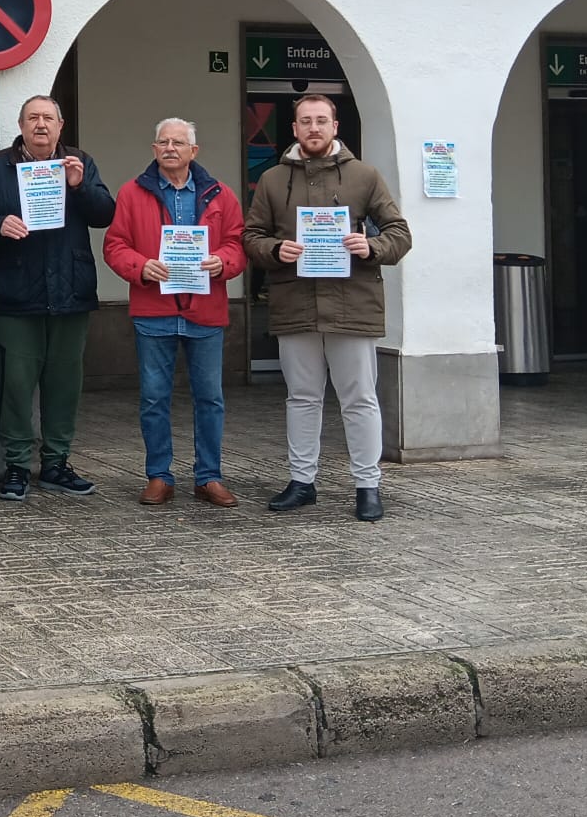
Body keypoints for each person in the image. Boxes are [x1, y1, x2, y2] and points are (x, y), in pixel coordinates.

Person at [243, 94, 412, 522]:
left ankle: (367, 485)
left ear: (336, 126)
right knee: (301, 398)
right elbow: (251, 237)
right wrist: (276, 249)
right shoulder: (271, 180)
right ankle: (302, 482)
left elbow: (399, 233)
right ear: (295, 129)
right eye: (305, 121)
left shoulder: (365, 176)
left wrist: (370, 246)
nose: (314, 128)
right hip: (294, 304)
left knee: (359, 399)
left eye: (321, 120)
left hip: (352, 305)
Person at [0, 95, 116, 503]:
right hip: (16, 294)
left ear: (60, 125)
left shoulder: (79, 162)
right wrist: (0, 224)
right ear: (21, 124)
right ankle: (16, 464)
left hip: (71, 292)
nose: (41, 125)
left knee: (64, 384)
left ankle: (56, 463)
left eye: (48, 118)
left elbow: (106, 214)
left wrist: (80, 186)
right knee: (16, 384)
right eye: (33, 118)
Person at [102, 118, 247, 510]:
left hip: (205, 310)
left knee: (210, 399)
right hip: (154, 311)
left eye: (178, 143)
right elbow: (115, 245)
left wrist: (223, 261)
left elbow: (238, 242)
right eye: (163, 142)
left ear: (193, 151)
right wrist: (140, 266)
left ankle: (209, 477)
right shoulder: (132, 194)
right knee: (153, 398)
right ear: (154, 149)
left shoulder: (220, 195)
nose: (170, 148)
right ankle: (158, 476)